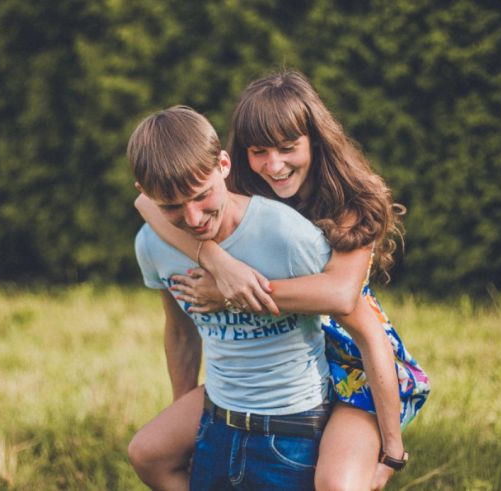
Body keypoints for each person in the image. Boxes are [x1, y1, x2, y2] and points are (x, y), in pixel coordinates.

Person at [129, 71, 430, 490]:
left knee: (336, 484)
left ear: (315, 142)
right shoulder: (238, 189)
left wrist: (231, 293)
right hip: (276, 350)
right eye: (259, 150)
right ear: (237, 156)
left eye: (288, 148)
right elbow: (147, 200)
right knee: (151, 449)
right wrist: (214, 258)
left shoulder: (352, 204)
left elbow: (342, 297)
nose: (274, 164)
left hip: (349, 359)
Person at [129, 105, 355, 489]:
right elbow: (181, 330)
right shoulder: (152, 245)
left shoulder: (284, 234)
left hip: (290, 428)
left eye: (202, 196)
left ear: (223, 165)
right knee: (147, 453)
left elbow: (349, 314)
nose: (194, 218)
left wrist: (386, 445)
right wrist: (187, 415)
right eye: (171, 207)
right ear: (147, 196)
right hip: (218, 423)